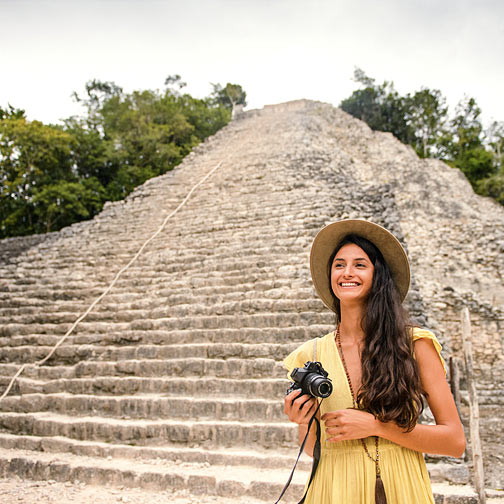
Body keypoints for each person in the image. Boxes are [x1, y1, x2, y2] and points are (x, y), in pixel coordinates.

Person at [284, 219, 466, 504]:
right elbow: (313, 450)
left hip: (400, 488)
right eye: (339, 264)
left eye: (360, 264)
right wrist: (302, 421)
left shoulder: (414, 345)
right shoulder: (312, 355)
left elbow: (455, 442)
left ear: (377, 276)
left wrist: (377, 426)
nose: (347, 272)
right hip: (333, 489)